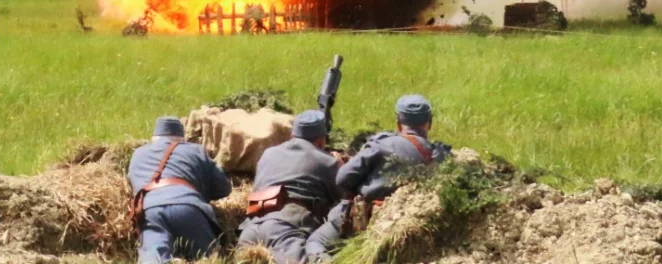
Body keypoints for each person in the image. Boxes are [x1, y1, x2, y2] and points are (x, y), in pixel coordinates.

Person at [236, 110, 342, 264]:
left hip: (251, 229)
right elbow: (344, 200)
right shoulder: (327, 162)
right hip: (285, 231)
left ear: (292, 136)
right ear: (321, 141)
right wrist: (340, 166)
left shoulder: (267, 154)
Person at [128, 116, 232, 263]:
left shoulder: (138, 154)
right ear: (181, 138)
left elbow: (133, 184)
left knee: (153, 258)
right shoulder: (196, 150)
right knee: (208, 258)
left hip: (150, 210)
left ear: (155, 138)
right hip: (188, 206)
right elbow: (224, 188)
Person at [336, 94, 451, 204]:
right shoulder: (441, 156)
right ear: (430, 124)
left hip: (372, 216)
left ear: (399, 124)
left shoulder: (381, 145)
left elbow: (342, 180)